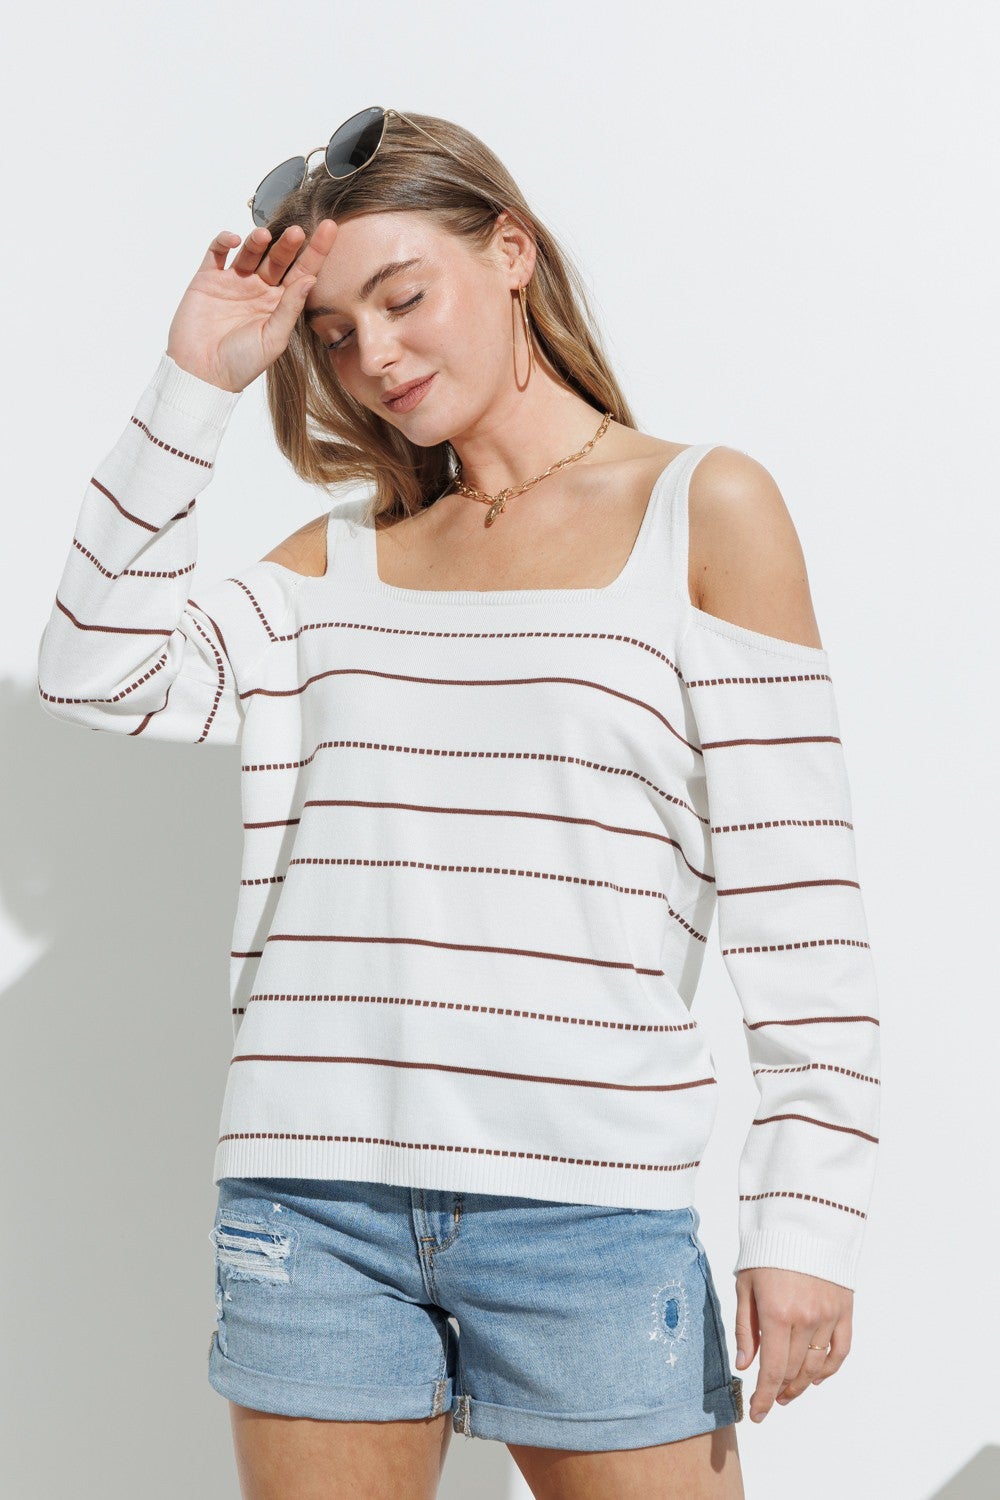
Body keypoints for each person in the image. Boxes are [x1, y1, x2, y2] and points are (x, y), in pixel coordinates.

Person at [36, 108, 880, 1500]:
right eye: (332, 333)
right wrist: (194, 382)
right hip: (315, 1210)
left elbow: (804, 914)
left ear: (512, 252)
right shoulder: (338, 565)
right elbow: (95, 673)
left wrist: (806, 1217)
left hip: (591, 1213)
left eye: (403, 297)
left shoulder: (700, 512)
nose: (373, 356)